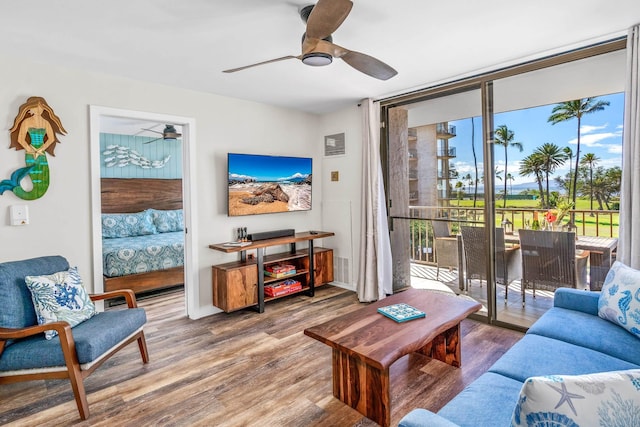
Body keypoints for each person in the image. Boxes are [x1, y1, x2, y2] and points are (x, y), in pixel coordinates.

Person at [0, 97, 66, 200]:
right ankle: (14, 186)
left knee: (42, 177)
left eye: (41, 108)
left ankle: (15, 186)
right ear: (30, 109)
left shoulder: (46, 123)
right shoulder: (26, 122)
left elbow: (51, 138)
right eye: (36, 107)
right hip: (30, 153)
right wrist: (30, 149)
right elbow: (21, 139)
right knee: (34, 173)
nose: (39, 110)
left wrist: (41, 149)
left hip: (41, 154)